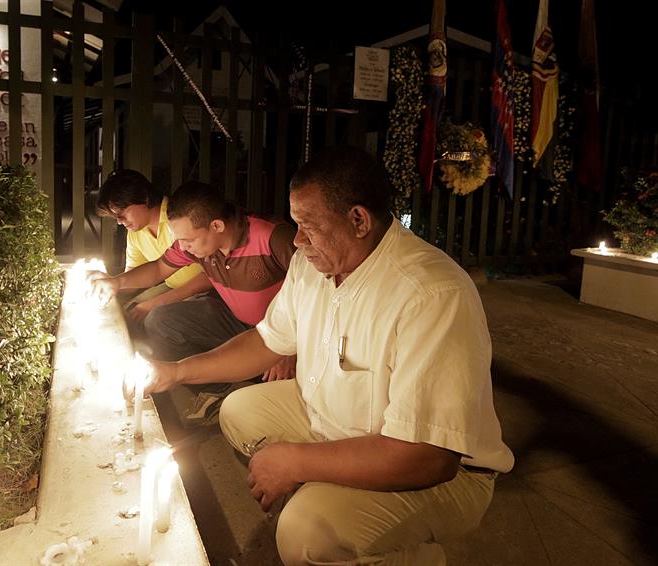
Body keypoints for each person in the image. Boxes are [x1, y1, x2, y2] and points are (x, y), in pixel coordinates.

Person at [145, 146, 514, 564]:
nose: (297, 240)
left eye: (307, 226)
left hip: (438, 472)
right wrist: (175, 371)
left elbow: (429, 457)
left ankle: (413, 556)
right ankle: (333, 490)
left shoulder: (431, 293)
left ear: (358, 219)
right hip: (336, 423)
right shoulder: (312, 265)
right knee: (239, 410)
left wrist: (296, 461)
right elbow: (266, 341)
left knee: (306, 534)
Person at [91, 180, 297, 425]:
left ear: (217, 225)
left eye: (188, 240)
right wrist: (116, 283)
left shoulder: (272, 237)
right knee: (162, 320)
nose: (184, 247)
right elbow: (159, 269)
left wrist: (290, 347)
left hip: (283, 331)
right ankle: (219, 389)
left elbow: (317, 292)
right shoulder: (196, 245)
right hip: (237, 320)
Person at [95, 169, 210, 327]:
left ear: (145, 199)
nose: (120, 221)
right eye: (115, 217)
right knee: (125, 313)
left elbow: (211, 274)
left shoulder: (180, 218)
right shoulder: (135, 232)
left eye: (122, 213)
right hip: (172, 286)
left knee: (155, 319)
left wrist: (157, 303)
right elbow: (143, 272)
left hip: (205, 291)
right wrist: (110, 283)